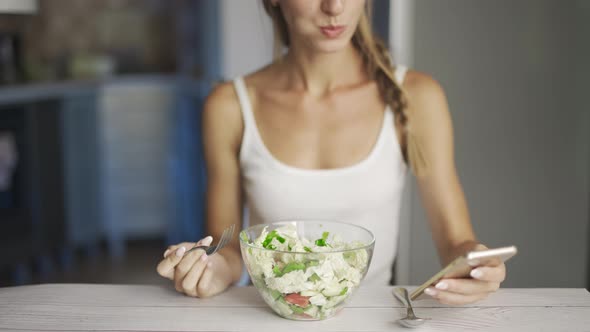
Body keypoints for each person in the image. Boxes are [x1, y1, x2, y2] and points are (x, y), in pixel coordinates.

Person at [157, 0, 507, 305]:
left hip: (373, 319)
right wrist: (210, 266)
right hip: (270, 317)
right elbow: (227, 245)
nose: (334, 6)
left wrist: (474, 262)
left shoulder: (419, 96)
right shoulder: (229, 106)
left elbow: (455, 240)